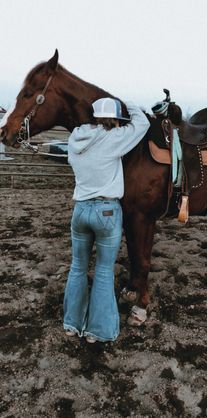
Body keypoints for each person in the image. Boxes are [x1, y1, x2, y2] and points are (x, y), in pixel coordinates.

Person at [63, 97, 150, 343]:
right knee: (103, 270)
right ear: (114, 119)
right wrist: (130, 102)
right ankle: (97, 332)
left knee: (77, 266)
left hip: (80, 210)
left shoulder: (75, 138)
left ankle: (72, 324)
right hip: (107, 211)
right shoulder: (114, 138)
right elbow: (141, 124)